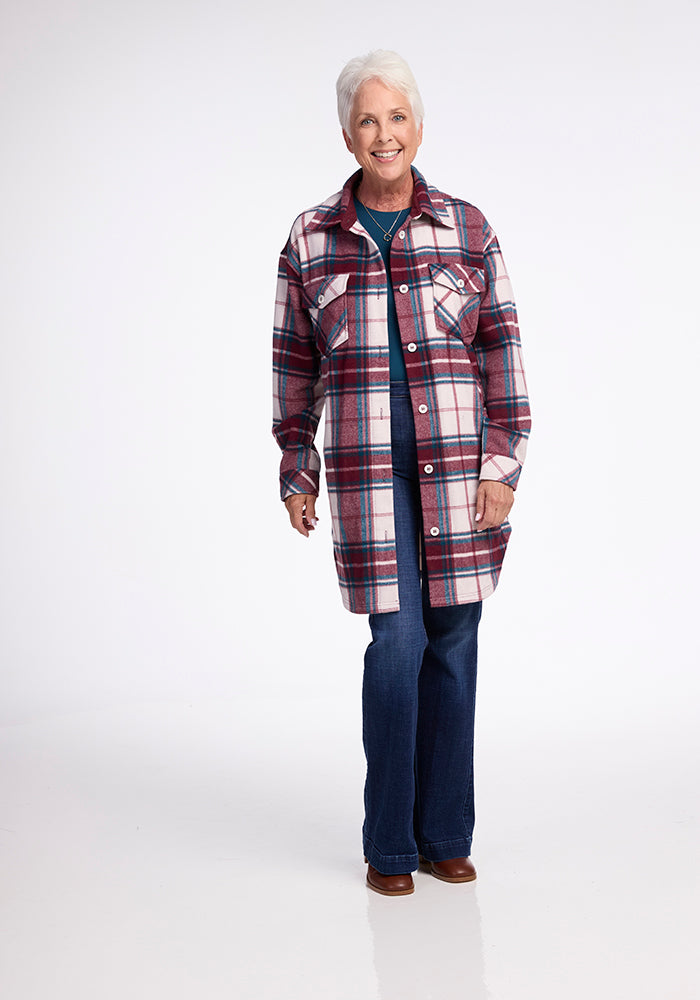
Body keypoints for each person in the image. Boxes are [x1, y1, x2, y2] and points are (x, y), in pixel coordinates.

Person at [272, 51, 530, 896]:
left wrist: (503, 466)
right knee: (399, 642)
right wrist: (296, 468)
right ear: (347, 134)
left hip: (461, 474)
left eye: (397, 117)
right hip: (367, 477)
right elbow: (294, 367)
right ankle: (389, 844)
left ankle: (445, 833)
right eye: (368, 120)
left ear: (419, 125)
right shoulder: (312, 240)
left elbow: (502, 354)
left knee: (454, 640)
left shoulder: (467, 226)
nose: (384, 134)